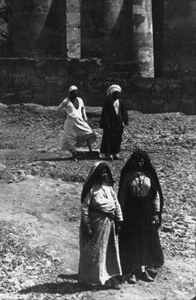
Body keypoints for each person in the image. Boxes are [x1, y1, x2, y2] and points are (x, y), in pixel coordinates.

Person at [118, 150, 164, 284]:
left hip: (146, 214)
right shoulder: (127, 176)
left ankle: (143, 270)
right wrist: (120, 215)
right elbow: (122, 196)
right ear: (132, 162)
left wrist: (156, 213)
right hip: (131, 214)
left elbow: (156, 196)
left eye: (142, 161)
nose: (139, 164)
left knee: (144, 241)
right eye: (137, 161)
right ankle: (131, 271)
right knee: (132, 241)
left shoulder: (150, 176)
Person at [78, 162, 123, 289]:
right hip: (96, 223)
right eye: (101, 173)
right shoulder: (91, 189)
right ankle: (91, 280)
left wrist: (119, 220)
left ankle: (108, 277)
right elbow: (84, 208)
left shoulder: (109, 187)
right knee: (95, 251)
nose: (104, 175)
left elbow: (116, 203)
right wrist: (87, 225)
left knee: (109, 250)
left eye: (105, 172)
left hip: (110, 223)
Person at [58, 86, 97, 160]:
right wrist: (66, 113)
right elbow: (59, 108)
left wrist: (85, 119)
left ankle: (90, 151)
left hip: (80, 121)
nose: (75, 93)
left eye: (76, 91)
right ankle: (74, 155)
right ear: (70, 93)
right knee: (70, 139)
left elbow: (83, 110)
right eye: (73, 92)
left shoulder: (80, 100)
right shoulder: (66, 101)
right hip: (70, 123)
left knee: (88, 133)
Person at [99, 84, 128, 160]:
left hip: (118, 123)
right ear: (111, 93)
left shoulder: (121, 102)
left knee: (117, 138)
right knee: (109, 138)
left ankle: (116, 153)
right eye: (115, 93)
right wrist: (106, 123)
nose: (117, 95)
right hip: (110, 123)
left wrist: (124, 121)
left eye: (118, 93)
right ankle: (108, 153)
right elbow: (105, 113)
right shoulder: (108, 101)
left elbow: (124, 112)